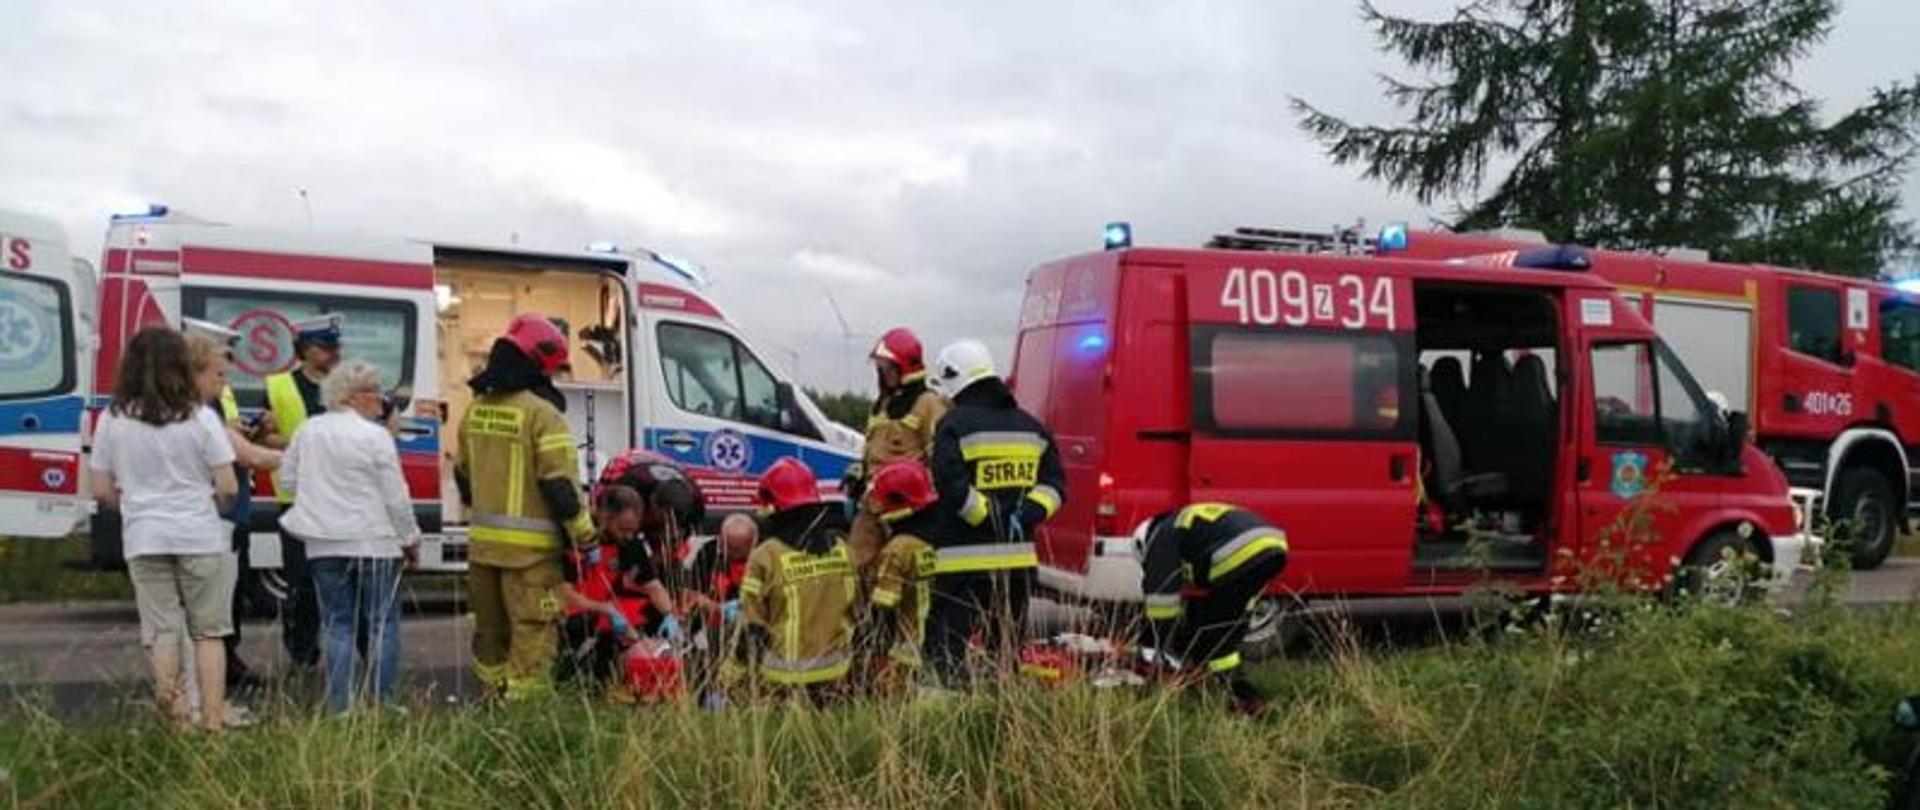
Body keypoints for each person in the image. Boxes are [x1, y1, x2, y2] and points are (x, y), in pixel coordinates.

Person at [88, 327, 240, 731]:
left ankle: (175, 720)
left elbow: (101, 489)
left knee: (163, 631)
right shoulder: (201, 417)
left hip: (143, 535)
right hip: (199, 534)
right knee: (209, 632)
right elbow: (228, 485)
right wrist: (207, 502)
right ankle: (211, 721)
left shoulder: (112, 419)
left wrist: (136, 506)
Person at [455, 313, 595, 701]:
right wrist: (585, 536)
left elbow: (463, 478)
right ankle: (524, 728)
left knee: (490, 638)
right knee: (532, 642)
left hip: (483, 552)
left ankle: (490, 704)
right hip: (531, 559)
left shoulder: (476, 408)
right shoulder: (541, 415)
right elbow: (560, 487)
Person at [278, 359, 423, 714]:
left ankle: (340, 706)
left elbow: (286, 481)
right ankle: (383, 702)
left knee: (337, 624)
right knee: (382, 623)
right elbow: (395, 496)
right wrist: (410, 537)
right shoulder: (376, 437)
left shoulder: (307, 431)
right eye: (376, 392)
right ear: (354, 397)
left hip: (322, 543)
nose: (382, 400)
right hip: (375, 542)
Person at [923, 339, 1065, 687]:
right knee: (1005, 651)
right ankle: (1003, 720)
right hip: (1016, 565)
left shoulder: (954, 425)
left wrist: (987, 516)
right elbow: (1055, 486)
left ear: (954, 378)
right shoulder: (1032, 427)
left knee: (945, 649)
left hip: (962, 565)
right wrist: (1030, 512)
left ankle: (947, 718)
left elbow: (950, 483)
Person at [184, 319, 282, 692]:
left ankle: (217, 672)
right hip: (216, 517)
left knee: (226, 598)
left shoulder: (211, 401)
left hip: (224, 513)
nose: (227, 371)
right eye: (222, 361)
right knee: (212, 610)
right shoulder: (201, 411)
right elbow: (241, 456)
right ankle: (212, 688)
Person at [1135, 503, 1289, 712]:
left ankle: (1225, 695)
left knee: (1207, 635)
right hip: (1274, 545)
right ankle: (1243, 696)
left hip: (1237, 549)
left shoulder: (1161, 536)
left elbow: (1162, 595)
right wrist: (1238, 621)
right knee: (1219, 636)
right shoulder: (1185, 526)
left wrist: (1154, 642)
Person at [259, 313, 346, 672]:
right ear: (307, 350)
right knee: (301, 581)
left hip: (338, 494)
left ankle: (347, 651)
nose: (335, 354)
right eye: (327, 348)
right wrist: (305, 443)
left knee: (342, 577)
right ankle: (302, 652)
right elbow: (265, 436)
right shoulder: (280, 386)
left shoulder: (346, 386)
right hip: (296, 497)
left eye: (336, 347)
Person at [730, 458, 858, 700]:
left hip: (784, 681)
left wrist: (736, 679)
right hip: (838, 676)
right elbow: (858, 610)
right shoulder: (844, 549)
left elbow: (752, 628)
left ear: (773, 506)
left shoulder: (765, 556)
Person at [556, 486, 678, 695]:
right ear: (604, 517)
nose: (628, 536)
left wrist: (670, 614)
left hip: (604, 614)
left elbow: (653, 586)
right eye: (623, 529)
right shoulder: (575, 540)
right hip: (572, 618)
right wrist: (607, 610)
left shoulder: (632, 542)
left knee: (649, 620)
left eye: (633, 530)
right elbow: (564, 596)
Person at [844, 328, 948, 574]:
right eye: (881, 366)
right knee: (855, 565)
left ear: (905, 368)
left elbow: (941, 459)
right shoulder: (880, 405)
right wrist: (859, 475)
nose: (882, 372)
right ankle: (865, 612)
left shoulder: (929, 404)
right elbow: (872, 451)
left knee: (900, 568)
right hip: (873, 503)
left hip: (908, 509)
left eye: (887, 366)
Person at [860, 460, 941, 694]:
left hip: (908, 652)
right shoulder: (943, 536)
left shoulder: (898, 550)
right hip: (945, 640)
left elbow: (882, 610)